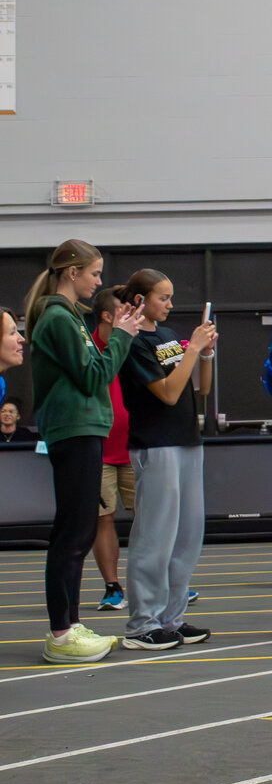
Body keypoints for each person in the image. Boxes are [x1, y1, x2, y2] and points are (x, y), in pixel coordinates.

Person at [25, 240, 145, 663]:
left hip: (81, 428)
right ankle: (61, 633)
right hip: (73, 428)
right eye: (94, 273)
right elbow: (95, 377)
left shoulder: (66, 316)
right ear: (71, 272)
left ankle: (69, 625)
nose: (98, 282)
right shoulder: (58, 317)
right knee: (73, 532)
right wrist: (123, 338)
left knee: (77, 529)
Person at [112, 269, 217, 651]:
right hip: (156, 445)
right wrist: (192, 350)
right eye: (163, 298)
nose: (170, 305)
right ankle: (142, 624)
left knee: (187, 537)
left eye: (171, 298)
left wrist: (204, 354)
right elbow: (169, 394)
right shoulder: (136, 341)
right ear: (140, 301)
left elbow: (198, 388)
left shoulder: (170, 337)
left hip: (187, 441)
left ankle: (170, 618)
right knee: (154, 537)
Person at [85, 291, 131, 610]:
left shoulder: (132, 342)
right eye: (122, 311)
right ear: (106, 316)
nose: (130, 316)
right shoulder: (86, 347)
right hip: (98, 451)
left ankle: (162, 583)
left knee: (151, 518)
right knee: (103, 519)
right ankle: (112, 587)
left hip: (136, 447)